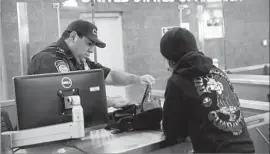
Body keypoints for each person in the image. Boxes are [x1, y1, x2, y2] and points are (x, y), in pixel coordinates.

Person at [159, 27, 255, 153]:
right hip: (247, 149)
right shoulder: (219, 73)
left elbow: (173, 132)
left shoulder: (177, 82)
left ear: (171, 61)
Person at [27, 19, 155, 108]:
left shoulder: (79, 59)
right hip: (43, 137)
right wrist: (110, 101)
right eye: (89, 43)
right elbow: (66, 98)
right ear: (73, 37)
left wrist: (138, 79)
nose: (92, 50)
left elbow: (109, 75)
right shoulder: (50, 59)